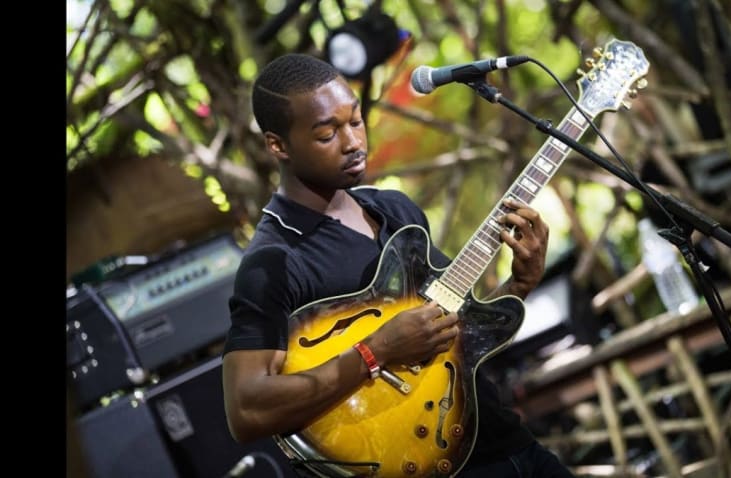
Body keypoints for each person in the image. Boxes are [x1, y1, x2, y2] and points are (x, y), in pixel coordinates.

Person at [222, 53, 576, 478]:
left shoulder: (395, 210)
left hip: (507, 444)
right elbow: (246, 409)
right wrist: (377, 350)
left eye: (354, 121)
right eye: (326, 133)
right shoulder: (275, 262)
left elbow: (457, 335)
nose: (353, 141)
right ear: (278, 145)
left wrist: (519, 284)